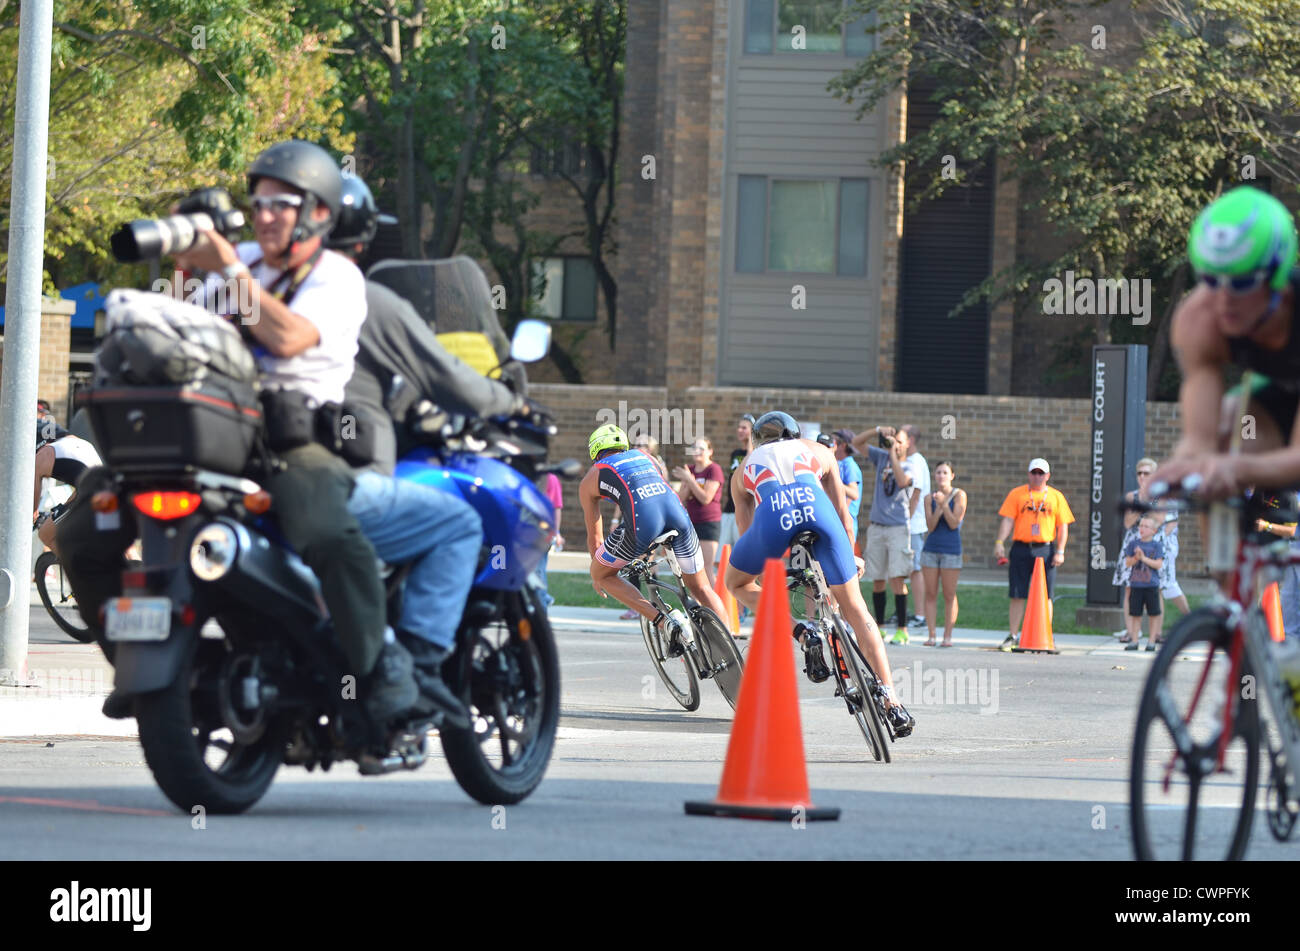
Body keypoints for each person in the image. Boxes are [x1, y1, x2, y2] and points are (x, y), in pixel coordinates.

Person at [60, 140, 417, 725]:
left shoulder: (337, 277)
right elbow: (184, 337)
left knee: (327, 530)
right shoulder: (243, 259)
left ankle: (378, 668)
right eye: (259, 203)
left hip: (290, 441)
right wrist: (183, 269)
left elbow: (287, 339)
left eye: (282, 204)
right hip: (206, 436)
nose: (266, 214)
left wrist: (226, 264)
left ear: (319, 214)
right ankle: (141, 661)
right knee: (80, 531)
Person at [330, 170, 529, 727]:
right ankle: (414, 673)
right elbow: (450, 379)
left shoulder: (261, 293)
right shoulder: (363, 301)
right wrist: (508, 401)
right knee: (459, 526)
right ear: (362, 244)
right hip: (337, 477)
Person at [725, 411, 914, 737]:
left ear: (757, 441)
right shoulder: (819, 450)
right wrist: (851, 554)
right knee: (856, 608)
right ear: (796, 434)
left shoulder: (744, 466)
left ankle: (802, 633)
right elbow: (843, 512)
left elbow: (748, 533)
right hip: (819, 512)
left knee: (736, 582)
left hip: (774, 520)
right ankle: (892, 702)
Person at [1152, 186, 1300, 497]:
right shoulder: (1198, 319)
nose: (1223, 298)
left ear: (1276, 280)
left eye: (1242, 283)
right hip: (1278, 392)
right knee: (1227, 434)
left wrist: (1235, 468)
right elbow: (1199, 443)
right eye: (1210, 279)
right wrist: (1186, 467)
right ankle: (1227, 546)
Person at [581, 424, 729, 650]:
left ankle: (665, 623)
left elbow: (595, 538)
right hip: (679, 517)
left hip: (644, 523)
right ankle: (730, 650)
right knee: (702, 588)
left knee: (601, 572)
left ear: (595, 452)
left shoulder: (594, 474)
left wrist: (599, 573)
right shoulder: (646, 456)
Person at [993, 457, 1075, 651]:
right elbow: (1007, 521)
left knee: (1046, 595)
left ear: (1047, 475)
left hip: (1045, 549)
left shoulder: (1056, 496)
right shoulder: (1017, 494)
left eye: (1041, 473)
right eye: (1034, 473)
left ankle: (1045, 634)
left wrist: (1061, 551)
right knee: (1017, 593)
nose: (1037, 476)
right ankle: (1013, 634)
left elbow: (1063, 526)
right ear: (1029, 474)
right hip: (1021, 546)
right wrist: (999, 542)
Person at [849, 424, 919, 645]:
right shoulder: (881, 457)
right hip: (877, 527)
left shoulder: (910, 466)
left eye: (900, 441)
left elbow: (900, 481)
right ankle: (878, 627)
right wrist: (876, 431)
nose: (895, 444)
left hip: (898, 527)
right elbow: (856, 443)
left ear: (908, 443)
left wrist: (892, 454)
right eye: (893, 440)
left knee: (897, 578)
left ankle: (902, 629)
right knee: (877, 578)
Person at [32, 412, 103, 556]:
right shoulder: (70, 441)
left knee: (46, 534)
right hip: (103, 489)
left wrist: (33, 513)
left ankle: (82, 576)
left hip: (92, 492)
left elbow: (32, 507)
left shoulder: (41, 457)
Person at [920, 461, 965, 648]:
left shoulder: (960, 495)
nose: (941, 476)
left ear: (952, 475)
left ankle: (948, 636)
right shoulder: (929, 498)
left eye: (945, 472)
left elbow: (954, 523)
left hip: (951, 550)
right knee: (930, 593)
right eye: (938, 472)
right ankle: (932, 635)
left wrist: (944, 504)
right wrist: (938, 506)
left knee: (949, 594)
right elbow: (930, 526)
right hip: (931, 549)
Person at [674, 436, 724, 586]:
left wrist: (690, 480)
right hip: (690, 523)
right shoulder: (689, 470)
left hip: (709, 523)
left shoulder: (713, 469)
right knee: (693, 569)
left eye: (701, 448)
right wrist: (689, 482)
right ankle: (698, 606)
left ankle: (715, 606)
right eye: (694, 448)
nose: (697, 451)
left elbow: (706, 498)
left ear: (710, 451)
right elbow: (680, 498)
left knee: (706, 567)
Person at [1121, 515, 1166, 651]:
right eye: (1141, 526)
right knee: (1135, 614)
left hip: (1151, 585)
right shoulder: (1133, 544)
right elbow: (1128, 563)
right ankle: (1134, 641)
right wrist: (1136, 557)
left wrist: (1143, 558)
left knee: (1153, 614)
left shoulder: (1157, 545)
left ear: (1154, 531)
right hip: (1136, 584)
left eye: (1146, 527)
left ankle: (1151, 642)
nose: (1142, 529)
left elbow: (1158, 564)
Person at [902, 425, 930, 628]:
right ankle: (905, 610)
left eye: (901, 435)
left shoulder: (916, 462)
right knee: (903, 569)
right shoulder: (908, 461)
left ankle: (920, 615)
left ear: (910, 439)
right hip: (907, 524)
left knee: (915, 570)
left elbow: (916, 494)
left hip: (913, 525)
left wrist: (906, 521)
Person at [719, 414, 755, 552]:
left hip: (746, 508)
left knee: (744, 551)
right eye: (739, 427)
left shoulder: (755, 453)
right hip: (730, 507)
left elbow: (748, 467)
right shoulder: (735, 453)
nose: (740, 430)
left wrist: (752, 443)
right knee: (722, 554)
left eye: (744, 428)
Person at [831, 429, 862, 543]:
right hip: (838, 522)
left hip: (846, 524)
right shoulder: (839, 463)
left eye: (833, 442)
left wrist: (833, 482)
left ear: (843, 445)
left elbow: (854, 493)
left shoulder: (849, 464)